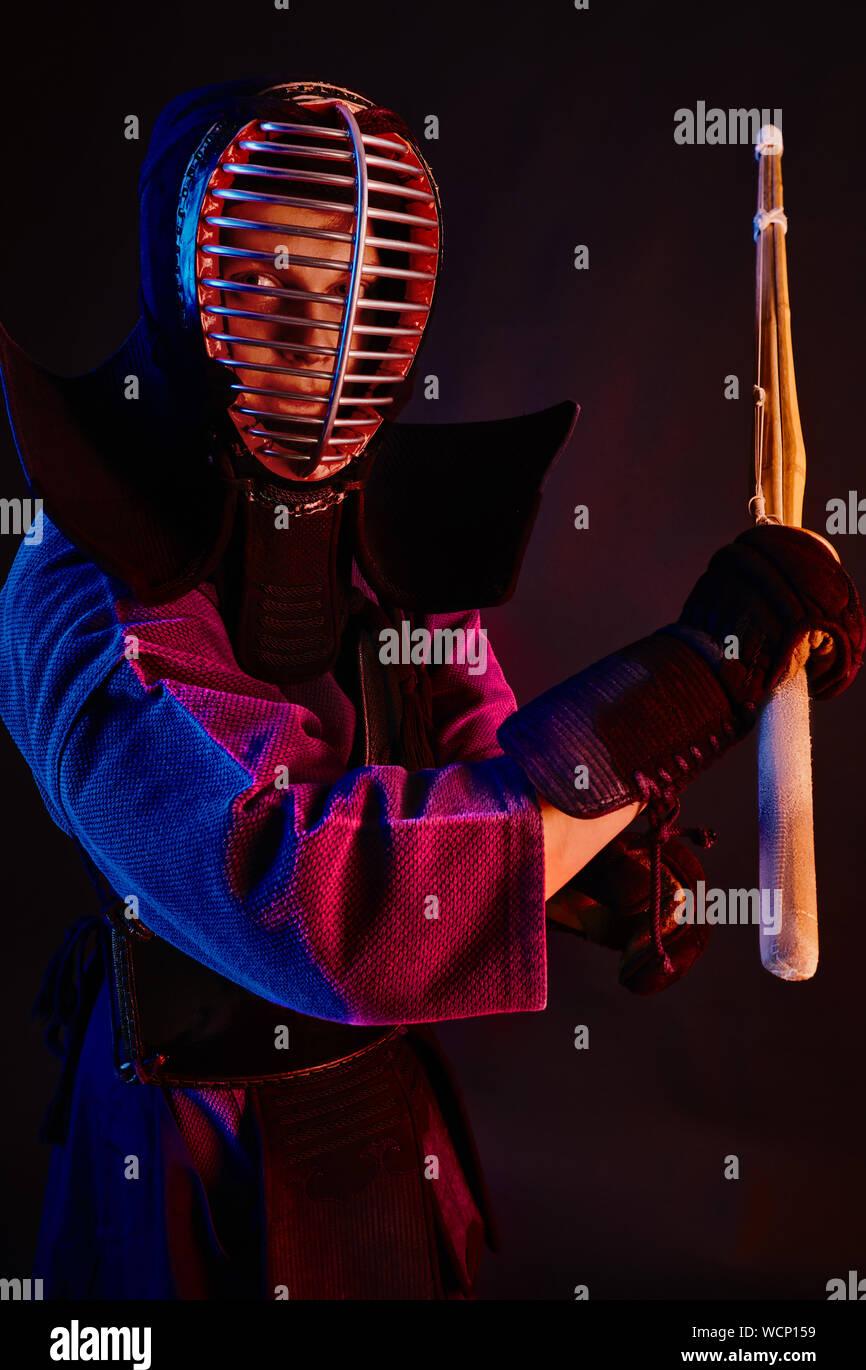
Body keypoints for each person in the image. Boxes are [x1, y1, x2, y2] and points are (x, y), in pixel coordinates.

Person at [0, 77, 862, 1302]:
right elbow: (311, 897)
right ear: (185, 284)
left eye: (351, 285)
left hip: (377, 1112)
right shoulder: (81, 595)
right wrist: (703, 674)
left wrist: (593, 856)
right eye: (267, 280)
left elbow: (473, 743)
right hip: (189, 1142)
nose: (318, 332)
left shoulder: (381, 534)